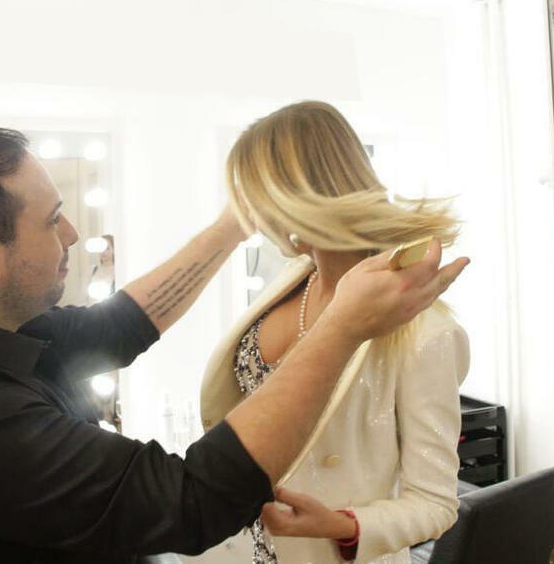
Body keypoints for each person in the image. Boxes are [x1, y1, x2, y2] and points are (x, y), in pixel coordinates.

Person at [0, 127, 468, 563]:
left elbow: (118, 327)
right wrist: (342, 328)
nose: (73, 233)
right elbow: (192, 500)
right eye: (51, 219)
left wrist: (232, 225)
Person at [200, 101, 470, 563]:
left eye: (256, 194)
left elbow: (435, 503)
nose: (250, 214)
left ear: (293, 194)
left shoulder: (424, 332)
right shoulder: (289, 282)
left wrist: (339, 526)